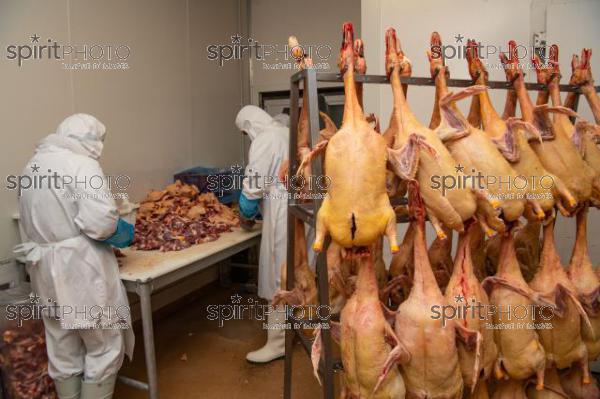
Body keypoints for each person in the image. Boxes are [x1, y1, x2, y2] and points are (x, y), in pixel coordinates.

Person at [14, 114, 135, 399]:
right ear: (89, 139)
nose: (100, 147)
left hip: (44, 266)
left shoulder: (33, 165)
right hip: (80, 267)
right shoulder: (82, 164)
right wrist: (120, 231)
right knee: (102, 344)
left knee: (62, 344)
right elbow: (101, 222)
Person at [235, 105, 289, 363]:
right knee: (294, 272)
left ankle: (277, 343)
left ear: (249, 126)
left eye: (245, 133)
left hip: (281, 211)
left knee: (278, 275)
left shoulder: (265, 140)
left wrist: (245, 212)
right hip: (297, 208)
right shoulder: (285, 132)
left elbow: (254, 187)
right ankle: (295, 330)